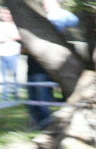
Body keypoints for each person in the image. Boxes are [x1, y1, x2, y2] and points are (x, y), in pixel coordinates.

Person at [25, 0, 78, 128]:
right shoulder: (41, 16)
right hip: (35, 61)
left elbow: (73, 26)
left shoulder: (63, 15)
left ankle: (46, 122)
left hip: (50, 60)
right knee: (34, 93)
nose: (45, 4)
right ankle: (38, 121)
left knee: (42, 92)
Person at [0, 7, 21, 100]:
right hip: (2, 53)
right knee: (4, 76)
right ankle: (4, 96)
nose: (5, 15)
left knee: (14, 74)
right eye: (3, 13)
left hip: (14, 52)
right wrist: (10, 37)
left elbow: (19, 36)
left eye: (7, 13)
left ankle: (16, 95)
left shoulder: (16, 25)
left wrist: (7, 36)